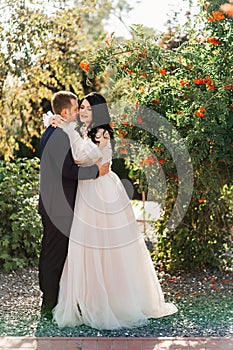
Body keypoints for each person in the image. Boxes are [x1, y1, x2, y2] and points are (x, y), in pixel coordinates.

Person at [50, 92, 178, 329]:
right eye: (82, 107)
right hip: (87, 190)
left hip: (102, 192)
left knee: (105, 246)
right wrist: (67, 128)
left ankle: (113, 300)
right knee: (86, 245)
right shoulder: (84, 132)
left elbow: (79, 157)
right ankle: (88, 299)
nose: (83, 111)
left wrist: (65, 129)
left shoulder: (102, 133)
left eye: (88, 108)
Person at [38, 91, 109, 318]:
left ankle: (54, 297)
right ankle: (49, 301)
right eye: (77, 107)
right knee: (54, 253)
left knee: (54, 251)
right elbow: (68, 171)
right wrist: (96, 172)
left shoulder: (57, 130)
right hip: (57, 205)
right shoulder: (58, 134)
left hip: (56, 203)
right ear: (66, 111)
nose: (79, 111)